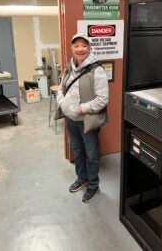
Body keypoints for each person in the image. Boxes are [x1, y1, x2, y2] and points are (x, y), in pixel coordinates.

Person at [56, 33, 109, 203]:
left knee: (91, 155)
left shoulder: (97, 70)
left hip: (86, 121)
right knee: (78, 152)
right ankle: (82, 178)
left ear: (89, 48)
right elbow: (61, 88)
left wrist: (81, 108)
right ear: (72, 49)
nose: (80, 49)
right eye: (76, 46)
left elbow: (102, 100)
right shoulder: (69, 67)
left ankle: (93, 185)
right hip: (70, 119)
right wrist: (62, 103)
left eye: (84, 46)